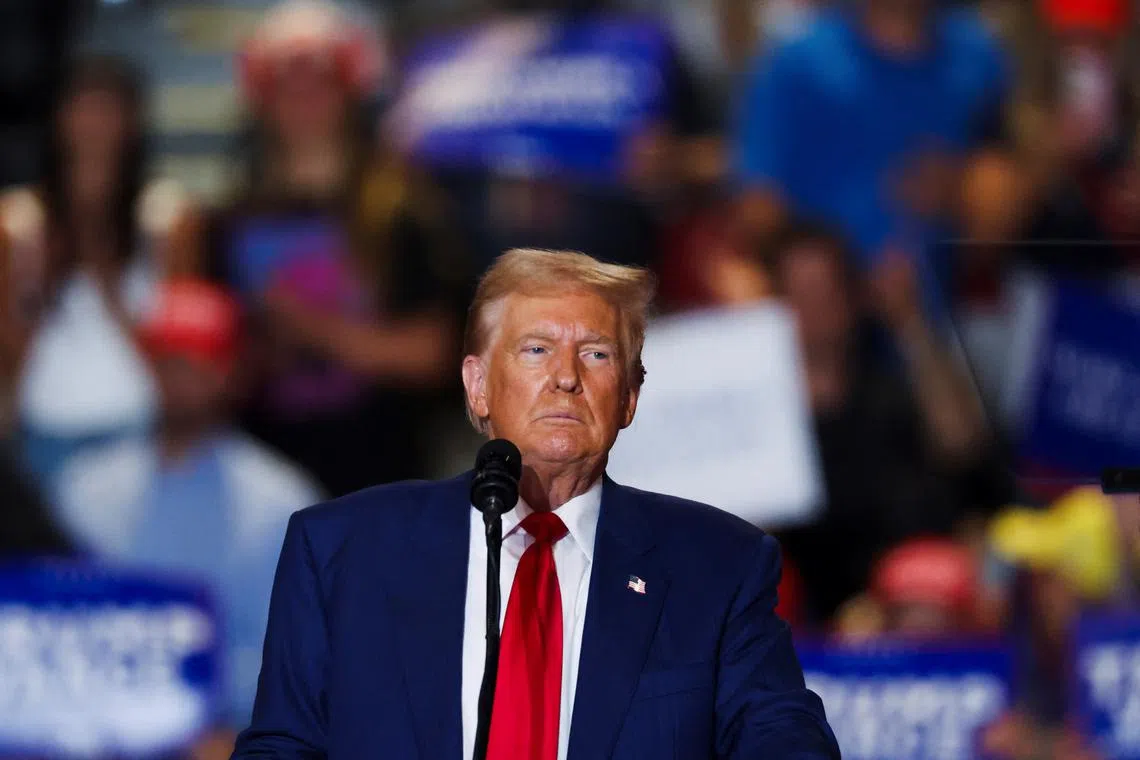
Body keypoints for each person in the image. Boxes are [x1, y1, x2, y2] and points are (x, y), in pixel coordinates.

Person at [233, 248, 838, 759]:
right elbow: (281, 747)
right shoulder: (342, 550)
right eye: (535, 350)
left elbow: (785, 740)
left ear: (628, 397)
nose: (566, 377)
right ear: (477, 386)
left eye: (597, 354)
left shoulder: (719, 566)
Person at [211, 0, 467, 497]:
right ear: (262, 98)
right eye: (286, 83)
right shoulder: (233, 217)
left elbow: (433, 352)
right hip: (267, 478)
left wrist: (315, 329)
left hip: (381, 471)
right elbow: (225, 366)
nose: (304, 98)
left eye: (319, 81)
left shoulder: (400, 208)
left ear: (349, 92)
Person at [55, 279, 321, 748]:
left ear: (232, 373)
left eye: (196, 364)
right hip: (85, 731)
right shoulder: (83, 488)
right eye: (165, 360)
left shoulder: (282, 504)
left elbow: (293, 665)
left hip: (214, 737)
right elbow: (54, 627)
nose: (177, 377)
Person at [762, 222, 1011, 624]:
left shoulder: (894, 391)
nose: (816, 307)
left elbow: (963, 443)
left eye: (827, 290)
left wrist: (910, 323)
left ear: (854, 296)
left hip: (930, 588)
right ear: (774, 302)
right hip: (822, 623)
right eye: (800, 293)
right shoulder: (765, 425)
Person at [732, 0, 1013, 320]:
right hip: (828, 329)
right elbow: (757, 205)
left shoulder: (977, 56)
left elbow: (1001, 194)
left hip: (944, 321)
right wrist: (850, 288)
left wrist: (960, 189)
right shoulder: (795, 63)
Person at [0, 54, 198, 484]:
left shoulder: (165, 217)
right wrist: (43, 273)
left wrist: (109, 283)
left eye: (109, 108)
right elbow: (9, 351)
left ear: (132, 121)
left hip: (139, 429)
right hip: (44, 429)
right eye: (83, 107)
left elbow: (184, 345)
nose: (95, 124)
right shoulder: (19, 221)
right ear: (59, 119)